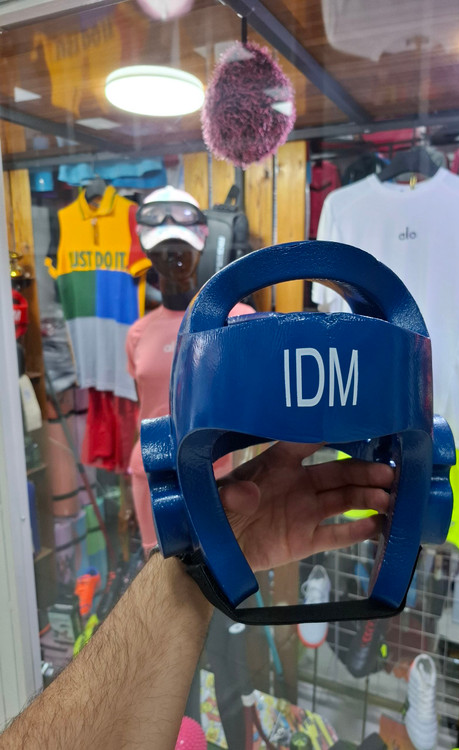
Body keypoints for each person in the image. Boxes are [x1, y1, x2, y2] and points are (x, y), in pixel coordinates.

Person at [0, 441, 393, 749]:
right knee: (202, 688)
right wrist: (199, 561)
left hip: (220, 508)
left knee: (220, 676)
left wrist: (205, 558)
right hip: (191, 518)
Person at [126, 186, 255, 555]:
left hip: (218, 474)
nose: (173, 259)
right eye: (162, 251)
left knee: (220, 569)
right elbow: (144, 406)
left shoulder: (238, 320)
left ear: (202, 246)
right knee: (158, 571)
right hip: (152, 474)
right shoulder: (138, 333)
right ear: (147, 254)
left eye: (182, 249)